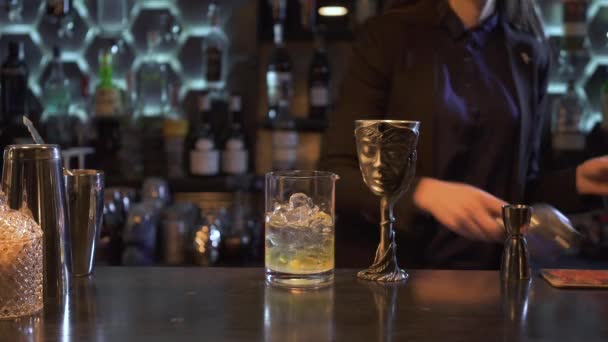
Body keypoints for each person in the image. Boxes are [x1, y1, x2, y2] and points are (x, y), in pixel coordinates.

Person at [321, 0, 608, 269]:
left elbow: (519, 190)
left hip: (490, 283)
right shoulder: (387, 37)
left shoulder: (529, 51)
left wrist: (578, 181)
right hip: (398, 280)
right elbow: (338, 176)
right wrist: (421, 192)